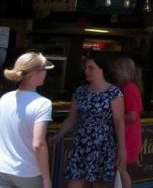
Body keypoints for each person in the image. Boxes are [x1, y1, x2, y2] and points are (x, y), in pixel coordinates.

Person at [52, 55, 126, 188]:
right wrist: (59, 135)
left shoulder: (114, 92)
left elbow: (119, 121)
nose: (86, 71)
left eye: (91, 68)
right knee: (73, 183)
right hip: (81, 144)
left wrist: (122, 148)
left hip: (103, 145)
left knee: (100, 184)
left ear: (101, 69)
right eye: (85, 68)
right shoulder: (80, 91)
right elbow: (72, 118)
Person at [0, 52, 54, 188]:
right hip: (29, 172)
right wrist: (47, 179)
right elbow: (39, 144)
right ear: (34, 73)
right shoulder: (43, 103)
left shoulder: (5, 98)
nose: (45, 74)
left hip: (3, 169)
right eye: (44, 70)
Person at [111, 57, 142, 188]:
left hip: (127, 134)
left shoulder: (129, 88)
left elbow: (132, 115)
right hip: (127, 133)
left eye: (117, 69)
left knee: (121, 168)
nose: (114, 72)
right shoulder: (128, 87)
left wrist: (113, 117)